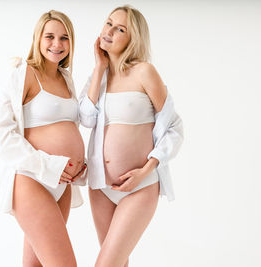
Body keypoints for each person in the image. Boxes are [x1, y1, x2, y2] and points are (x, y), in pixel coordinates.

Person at [79, 5, 183, 267]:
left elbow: (174, 126)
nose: (110, 31)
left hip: (140, 186)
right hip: (101, 187)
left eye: (120, 28)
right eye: (108, 23)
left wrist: (147, 169)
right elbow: (86, 119)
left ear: (133, 38)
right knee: (117, 263)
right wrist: (99, 69)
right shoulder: (97, 77)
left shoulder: (144, 72)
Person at [0, 10, 86, 267]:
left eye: (64, 38)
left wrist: (80, 163)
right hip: (33, 180)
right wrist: (49, 166)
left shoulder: (66, 78)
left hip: (63, 185)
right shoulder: (23, 73)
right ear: (38, 38)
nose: (57, 44)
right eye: (50, 37)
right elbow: (3, 133)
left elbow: (69, 126)